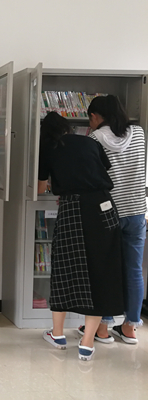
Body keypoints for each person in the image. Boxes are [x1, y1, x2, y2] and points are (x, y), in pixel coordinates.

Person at [38, 112, 124, 361]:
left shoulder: (49, 147)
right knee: (101, 272)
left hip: (73, 209)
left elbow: (41, 188)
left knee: (64, 268)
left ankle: (58, 335)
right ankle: (87, 344)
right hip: (105, 207)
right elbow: (102, 169)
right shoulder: (89, 141)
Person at [77, 95, 146, 345]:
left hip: (108, 212)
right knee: (134, 269)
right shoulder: (139, 134)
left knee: (105, 269)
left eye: (90, 119)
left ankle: (103, 327)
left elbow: (92, 176)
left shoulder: (95, 139)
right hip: (136, 211)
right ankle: (130, 327)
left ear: (96, 117)